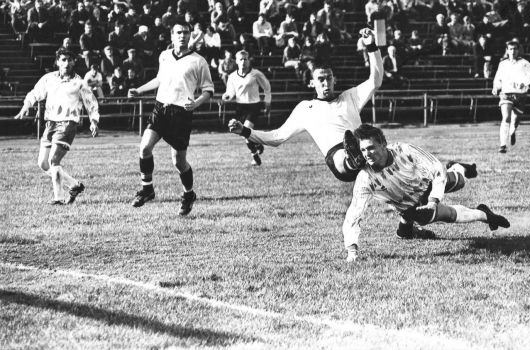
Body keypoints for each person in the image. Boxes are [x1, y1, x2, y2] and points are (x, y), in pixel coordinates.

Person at [228, 28, 384, 182]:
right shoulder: (306, 109)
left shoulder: (350, 96)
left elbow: (375, 81)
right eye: (321, 79)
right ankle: (352, 160)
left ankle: (360, 155)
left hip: (364, 148)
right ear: (312, 83)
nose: (326, 83)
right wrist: (244, 131)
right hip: (337, 156)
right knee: (341, 155)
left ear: (334, 80)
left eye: (329, 78)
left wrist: (371, 46)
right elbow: (276, 137)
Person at [343, 124, 509, 262]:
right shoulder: (366, 178)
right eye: (363, 150)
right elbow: (354, 214)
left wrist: (433, 200)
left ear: (383, 144)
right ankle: (484, 214)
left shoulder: (404, 150)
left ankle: (458, 167)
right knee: (441, 216)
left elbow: (437, 169)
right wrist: (352, 251)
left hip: (427, 182)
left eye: (371, 148)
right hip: (411, 206)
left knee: (459, 181)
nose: (367, 154)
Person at [127, 22, 214, 216]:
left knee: (178, 162)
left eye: (186, 32)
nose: (182, 35)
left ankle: (188, 194)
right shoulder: (164, 56)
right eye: (178, 32)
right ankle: (147, 189)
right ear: (172, 36)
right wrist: (139, 90)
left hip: (181, 113)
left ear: (190, 35)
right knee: (144, 147)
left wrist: (196, 103)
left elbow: (208, 90)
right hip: (161, 108)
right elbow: (159, 79)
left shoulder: (199, 61)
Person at [14, 47, 100, 205]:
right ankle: (74, 185)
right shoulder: (49, 78)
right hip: (50, 124)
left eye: (69, 60)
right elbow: (35, 93)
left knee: (54, 160)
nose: (66, 63)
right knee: (43, 163)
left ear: (74, 62)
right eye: (63, 60)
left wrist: (94, 121)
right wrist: (26, 106)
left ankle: (58, 199)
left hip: (68, 124)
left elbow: (91, 102)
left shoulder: (79, 82)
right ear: (58, 62)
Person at [222, 50, 272, 166]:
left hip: (254, 106)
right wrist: (226, 96)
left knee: (245, 130)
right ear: (236, 61)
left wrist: (267, 101)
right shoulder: (232, 76)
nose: (243, 61)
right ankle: (258, 144)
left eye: (245, 59)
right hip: (240, 107)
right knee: (243, 132)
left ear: (249, 61)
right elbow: (230, 92)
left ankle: (254, 156)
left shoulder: (256, 74)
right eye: (241, 59)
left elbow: (267, 87)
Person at [491, 39, 530, 154]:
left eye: (515, 49)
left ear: (518, 50)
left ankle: (512, 131)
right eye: (510, 49)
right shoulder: (503, 64)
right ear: (507, 50)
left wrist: (524, 83)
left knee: (515, 120)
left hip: (520, 95)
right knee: (506, 117)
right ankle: (503, 145)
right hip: (506, 94)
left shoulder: (524, 63)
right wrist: (496, 87)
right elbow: (498, 78)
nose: (513, 51)